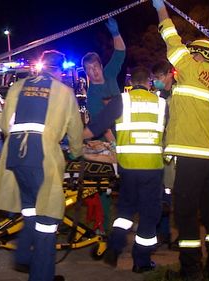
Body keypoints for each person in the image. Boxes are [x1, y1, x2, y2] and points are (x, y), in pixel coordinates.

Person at [0, 50, 83, 281]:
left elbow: (4, 124)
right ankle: (41, 275)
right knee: (48, 221)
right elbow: (75, 132)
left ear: (41, 66)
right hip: (42, 159)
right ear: (60, 69)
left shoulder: (18, 86)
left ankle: (23, 256)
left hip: (16, 157)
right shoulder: (64, 91)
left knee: (30, 209)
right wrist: (76, 153)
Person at [152, 1, 209, 280]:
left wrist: (159, 8)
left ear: (197, 55)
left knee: (186, 214)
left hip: (191, 155)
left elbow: (170, 36)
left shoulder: (190, 68)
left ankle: (190, 270)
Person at [84, 66, 166, 273]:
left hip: (128, 167)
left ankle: (114, 247)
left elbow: (96, 127)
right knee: (149, 214)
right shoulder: (162, 103)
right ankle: (142, 261)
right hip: (152, 168)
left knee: (125, 211)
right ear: (149, 82)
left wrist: (73, 141)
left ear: (131, 82)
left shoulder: (122, 101)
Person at [81, 16, 126, 233]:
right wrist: (115, 147)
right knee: (104, 186)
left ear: (100, 66)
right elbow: (103, 126)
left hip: (123, 135)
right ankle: (104, 226)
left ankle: (123, 221)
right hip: (106, 141)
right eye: (89, 70)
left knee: (127, 183)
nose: (94, 72)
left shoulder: (109, 75)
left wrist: (115, 33)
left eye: (95, 67)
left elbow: (120, 54)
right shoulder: (92, 95)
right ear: (86, 73)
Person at [152, 60, 176, 248]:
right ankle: (164, 234)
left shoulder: (179, 93)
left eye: (159, 77)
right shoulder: (159, 96)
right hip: (161, 150)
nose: (156, 81)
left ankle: (181, 235)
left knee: (175, 195)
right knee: (162, 195)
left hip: (175, 151)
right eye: (154, 78)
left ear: (170, 74)